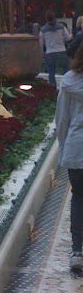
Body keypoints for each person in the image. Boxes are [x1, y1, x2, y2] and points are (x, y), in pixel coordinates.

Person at [55, 42, 83, 271]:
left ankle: (77, 251)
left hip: (77, 147)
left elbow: (62, 118)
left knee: (79, 198)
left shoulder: (69, 82)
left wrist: (63, 149)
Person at [39, 9, 71, 86]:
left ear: (46, 19)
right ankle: (67, 86)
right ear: (54, 17)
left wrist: (41, 54)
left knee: (51, 72)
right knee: (66, 71)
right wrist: (61, 40)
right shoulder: (61, 27)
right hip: (61, 51)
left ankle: (53, 89)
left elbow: (40, 43)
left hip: (50, 52)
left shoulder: (43, 30)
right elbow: (67, 38)